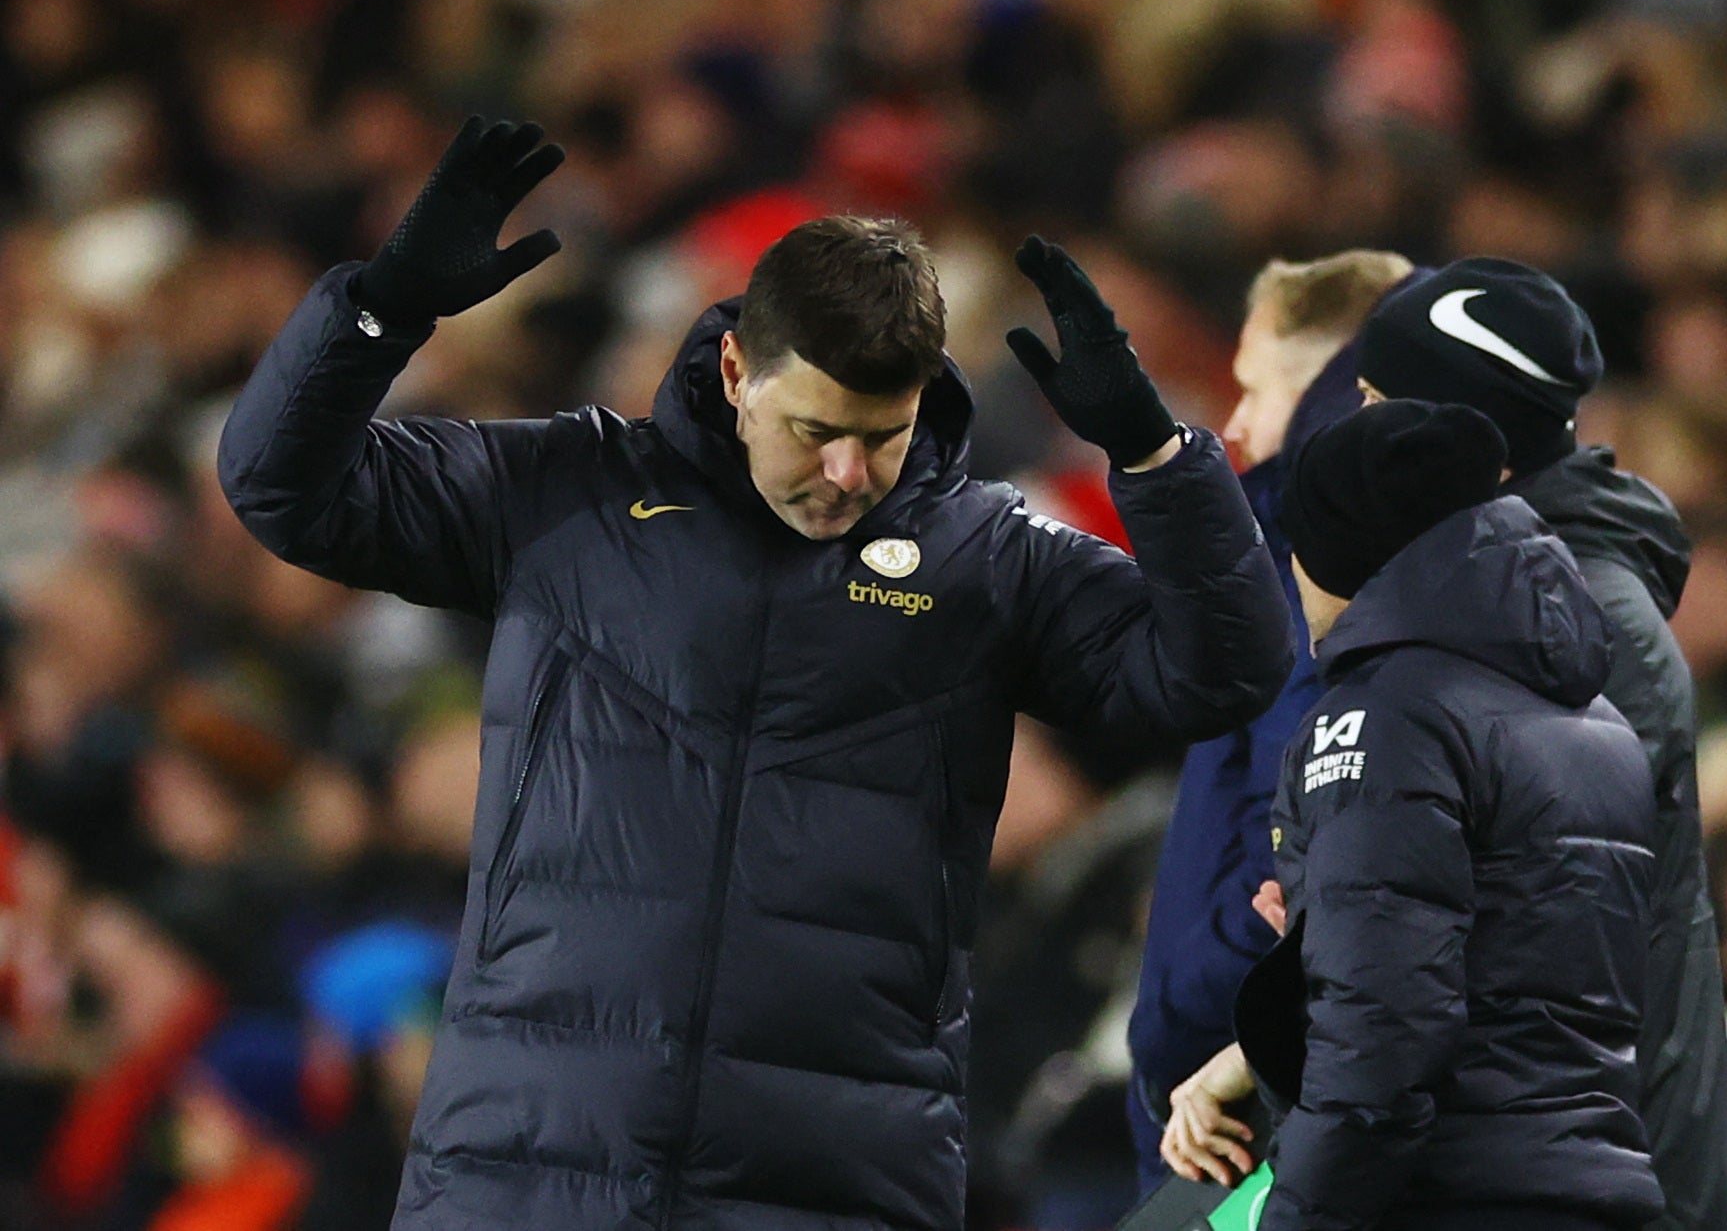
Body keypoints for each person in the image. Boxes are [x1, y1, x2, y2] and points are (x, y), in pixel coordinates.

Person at [216, 116, 1293, 1229]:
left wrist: (1157, 461)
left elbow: (1222, 673)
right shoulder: (567, 492)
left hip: (830, 1188)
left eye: (882, 434)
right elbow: (282, 488)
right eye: (815, 427)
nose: (845, 474)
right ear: (736, 369)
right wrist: (377, 315)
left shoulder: (988, 560)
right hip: (527, 1169)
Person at [1168, 399, 1664, 1230]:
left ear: (1332, 556)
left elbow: (1381, 1040)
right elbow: (1515, 983)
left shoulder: (1385, 718)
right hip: (1591, 1189)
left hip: (1446, 1199)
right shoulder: (1597, 721)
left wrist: (1299, 1216)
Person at [1355, 258, 1727, 1231]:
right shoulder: (1479, 591)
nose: (1350, 439)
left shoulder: (1575, 627)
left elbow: (1517, 949)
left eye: (1375, 408)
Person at [1126, 250, 1411, 1189]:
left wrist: (1200, 991)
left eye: (1257, 389)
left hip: (1242, 1084)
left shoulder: (1318, 562)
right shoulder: (1281, 548)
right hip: (1228, 1064)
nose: (1237, 422)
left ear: (1335, 381)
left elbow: (1294, 830)